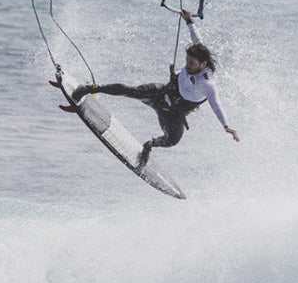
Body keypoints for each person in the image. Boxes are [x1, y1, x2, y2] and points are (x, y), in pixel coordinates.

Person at [71, 9, 239, 167]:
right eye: (187, 61)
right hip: (160, 93)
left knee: (172, 140)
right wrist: (189, 20)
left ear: (203, 64)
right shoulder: (199, 55)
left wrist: (226, 126)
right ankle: (90, 88)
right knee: (131, 91)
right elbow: (197, 39)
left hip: (173, 113)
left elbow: (216, 104)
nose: (187, 65)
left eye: (192, 64)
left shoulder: (207, 83)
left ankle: (149, 145)